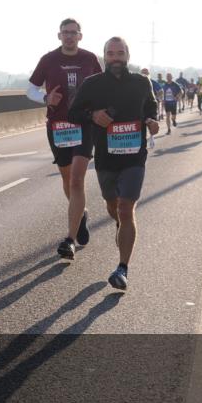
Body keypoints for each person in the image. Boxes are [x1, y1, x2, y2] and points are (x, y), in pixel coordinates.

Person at [67, 37, 159, 291]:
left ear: (128, 55)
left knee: (127, 208)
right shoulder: (92, 84)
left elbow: (152, 107)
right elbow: (73, 112)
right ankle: (119, 223)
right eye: (111, 53)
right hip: (106, 159)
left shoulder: (142, 83)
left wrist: (152, 121)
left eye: (120, 53)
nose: (115, 58)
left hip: (134, 157)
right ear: (104, 56)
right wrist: (92, 115)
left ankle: (122, 269)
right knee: (113, 207)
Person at [26, 18, 103, 260]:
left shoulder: (90, 59)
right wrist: (46, 99)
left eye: (73, 33)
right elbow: (30, 89)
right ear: (59, 36)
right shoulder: (48, 59)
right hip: (58, 127)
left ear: (80, 36)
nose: (69, 36)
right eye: (65, 33)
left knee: (77, 180)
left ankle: (70, 237)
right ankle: (81, 214)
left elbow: (103, 86)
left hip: (84, 125)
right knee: (67, 178)